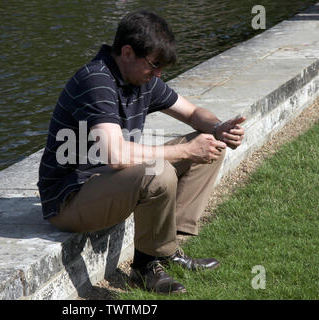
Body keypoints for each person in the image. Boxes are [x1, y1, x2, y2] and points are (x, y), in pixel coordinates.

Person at [38, 10, 245, 294]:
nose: (158, 74)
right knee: (157, 171)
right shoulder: (95, 81)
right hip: (69, 197)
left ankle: (167, 249)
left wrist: (220, 127)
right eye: (154, 65)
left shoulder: (141, 79)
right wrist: (185, 150)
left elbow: (194, 112)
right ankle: (144, 268)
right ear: (127, 52)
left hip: (106, 180)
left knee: (210, 143)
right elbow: (117, 156)